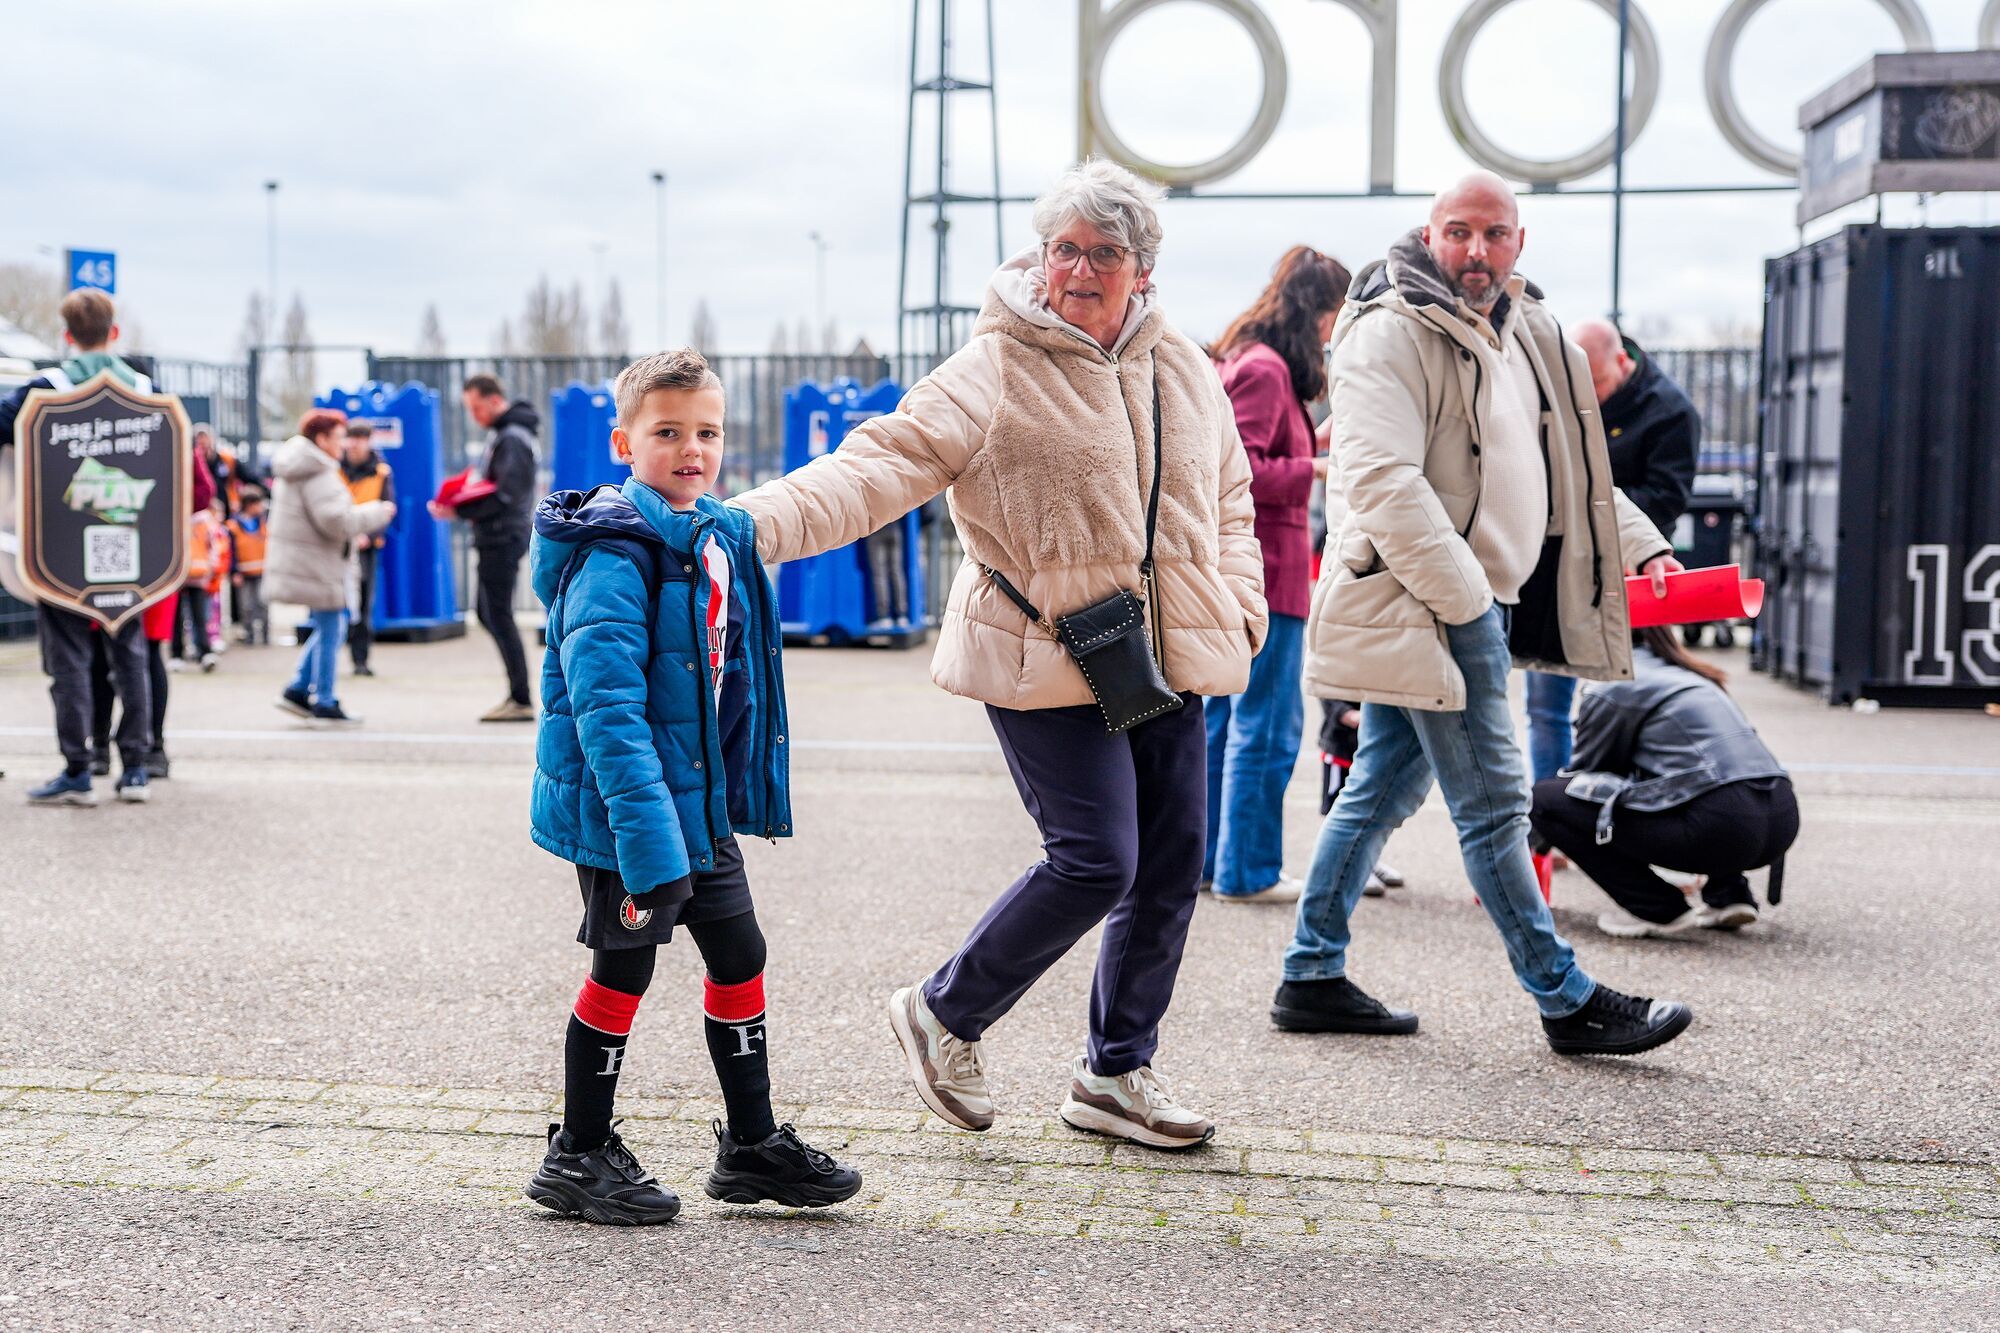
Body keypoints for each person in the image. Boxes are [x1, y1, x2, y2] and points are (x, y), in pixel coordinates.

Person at [734, 160, 1267, 1148]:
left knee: (1168, 867)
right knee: (1097, 860)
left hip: (1167, 656)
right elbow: (876, 464)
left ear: (1142, 269)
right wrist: (745, 526)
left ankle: (1116, 1074)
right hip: (1041, 647)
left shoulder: (1187, 368)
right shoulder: (994, 367)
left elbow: (1229, 498)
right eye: (1064, 248)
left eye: (1103, 253)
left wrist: (1238, 605)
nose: (1079, 269)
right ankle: (943, 1011)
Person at [1276, 171, 1693, 1057]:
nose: (1476, 250)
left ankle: (1310, 971)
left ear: (1519, 241)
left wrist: (1644, 545)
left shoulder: (1528, 329)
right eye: (1459, 231)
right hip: (1430, 601)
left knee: (1381, 786)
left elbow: (1572, 471)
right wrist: (1468, 605)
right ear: (1430, 235)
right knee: (1498, 802)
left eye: (1494, 233)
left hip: (1477, 598)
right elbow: (1382, 483)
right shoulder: (1386, 329)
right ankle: (1565, 997)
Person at [524, 348, 859, 1225]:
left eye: (707, 432)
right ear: (624, 442)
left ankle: (751, 1145)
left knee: (739, 952)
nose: (691, 450)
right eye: (668, 432)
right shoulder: (613, 553)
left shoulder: (708, 535)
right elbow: (606, 711)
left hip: (695, 807)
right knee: (623, 969)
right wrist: (646, 841)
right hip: (627, 813)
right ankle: (578, 1152)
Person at [1200, 246, 1349, 904]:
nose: (1335, 331)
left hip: (1239, 570)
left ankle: (1208, 861)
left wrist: (1311, 444)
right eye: (1336, 314)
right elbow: (1245, 471)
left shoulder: (1246, 359)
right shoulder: (1266, 371)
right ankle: (1250, 869)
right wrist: (1315, 469)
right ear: (1317, 310)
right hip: (1268, 571)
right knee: (1267, 726)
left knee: (1223, 723)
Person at [1530, 626, 1796, 939]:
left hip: (1721, 827)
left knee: (1544, 801)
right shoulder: (1691, 674)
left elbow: (1584, 779)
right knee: (1701, 786)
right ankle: (1729, 895)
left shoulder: (1612, 684)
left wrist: (1534, 837)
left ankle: (1657, 908)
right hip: (1781, 819)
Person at [1525, 319, 1702, 785]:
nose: (1591, 395)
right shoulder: (1563, 394)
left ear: (1623, 361)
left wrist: (1592, 512)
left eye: (1598, 383)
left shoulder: (1671, 412)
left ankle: (1618, 799)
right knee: (1546, 706)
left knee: (1628, 699)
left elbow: (1666, 498)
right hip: (1560, 567)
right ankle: (1549, 808)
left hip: (1631, 570)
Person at [1, 290, 155, 806]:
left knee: (67, 663)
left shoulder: (44, 391)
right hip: (132, 552)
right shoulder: (148, 392)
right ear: (115, 332)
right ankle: (136, 768)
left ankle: (78, 770)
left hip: (60, 552)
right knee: (129, 657)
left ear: (67, 336)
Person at [266, 409, 395, 726]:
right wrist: (378, 512)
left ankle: (299, 689)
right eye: (339, 437)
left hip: (312, 560)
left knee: (330, 626)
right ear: (321, 439)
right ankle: (323, 700)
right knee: (333, 628)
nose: (344, 444)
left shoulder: (301, 465)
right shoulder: (318, 471)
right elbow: (336, 521)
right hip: (321, 564)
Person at [430, 375, 537, 721]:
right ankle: (517, 694)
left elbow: (506, 494)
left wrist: (459, 510)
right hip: (496, 535)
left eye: (476, 408)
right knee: (488, 613)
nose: (474, 416)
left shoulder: (512, 438)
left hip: (503, 536)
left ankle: (520, 698)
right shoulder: (504, 435)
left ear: (494, 401)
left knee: (498, 614)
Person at [341, 420, 396, 677]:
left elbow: (388, 507)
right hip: (338, 541)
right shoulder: (334, 468)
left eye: (360, 438)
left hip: (365, 546)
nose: (354, 444)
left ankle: (360, 659)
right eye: (351, 438)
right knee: (333, 601)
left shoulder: (381, 472)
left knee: (363, 603)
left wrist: (368, 534)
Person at [227, 487, 271, 646]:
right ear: (249, 505)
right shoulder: (234, 525)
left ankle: (265, 635)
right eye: (258, 504)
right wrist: (234, 571)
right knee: (246, 606)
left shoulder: (264, 522)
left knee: (263, 603)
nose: (261, 507)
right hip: (243, 572)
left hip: (262, 571)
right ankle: (249, 635)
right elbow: (231, 552)